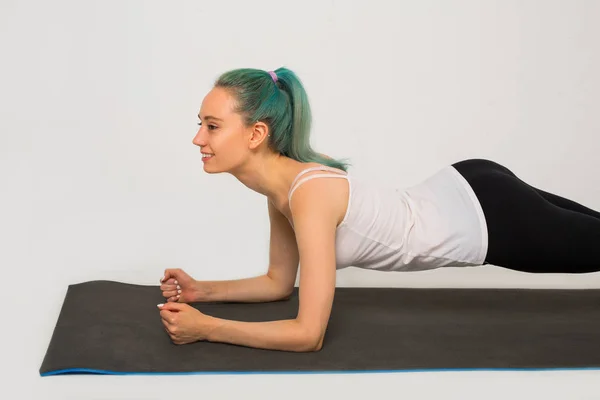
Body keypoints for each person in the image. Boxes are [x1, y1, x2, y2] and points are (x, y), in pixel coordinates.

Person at [156, 67, 600, 351]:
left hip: (492, 220)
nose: (198, 138)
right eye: (200, 124)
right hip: (472, 186)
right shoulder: (282, 191)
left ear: (255, 134)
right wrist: (202, 292)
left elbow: (307, 335)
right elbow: (277, 283)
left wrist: (208, 328)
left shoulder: (308, 194)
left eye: (212, 126)